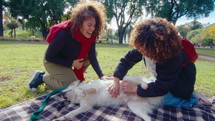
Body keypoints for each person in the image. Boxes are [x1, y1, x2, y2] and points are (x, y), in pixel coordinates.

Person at [108, 17, 210, 107]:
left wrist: (135, 89)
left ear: (158, 47)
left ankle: (194, 101)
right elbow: (127, 60)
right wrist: (116, 79)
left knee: (156, 100)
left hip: (180, 86)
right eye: (139, 47)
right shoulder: (144, 44)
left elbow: (162, 87)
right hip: (165, 79)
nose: (140, 51)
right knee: (147, 88)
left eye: (144, 50)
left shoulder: (173, 57)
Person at [29, 1, 108, 92]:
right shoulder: (64, 33)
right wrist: (71, 63)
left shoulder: (91, 36)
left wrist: (101, 76)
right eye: (89, 25)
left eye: (94, 26)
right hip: (53, 61)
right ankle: (41, 77)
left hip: (70, 61)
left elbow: (92, 57)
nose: (92, 29)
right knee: (71, 87)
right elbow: (49, 57)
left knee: (94, 53)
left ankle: (69, 80)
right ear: (79, 23)